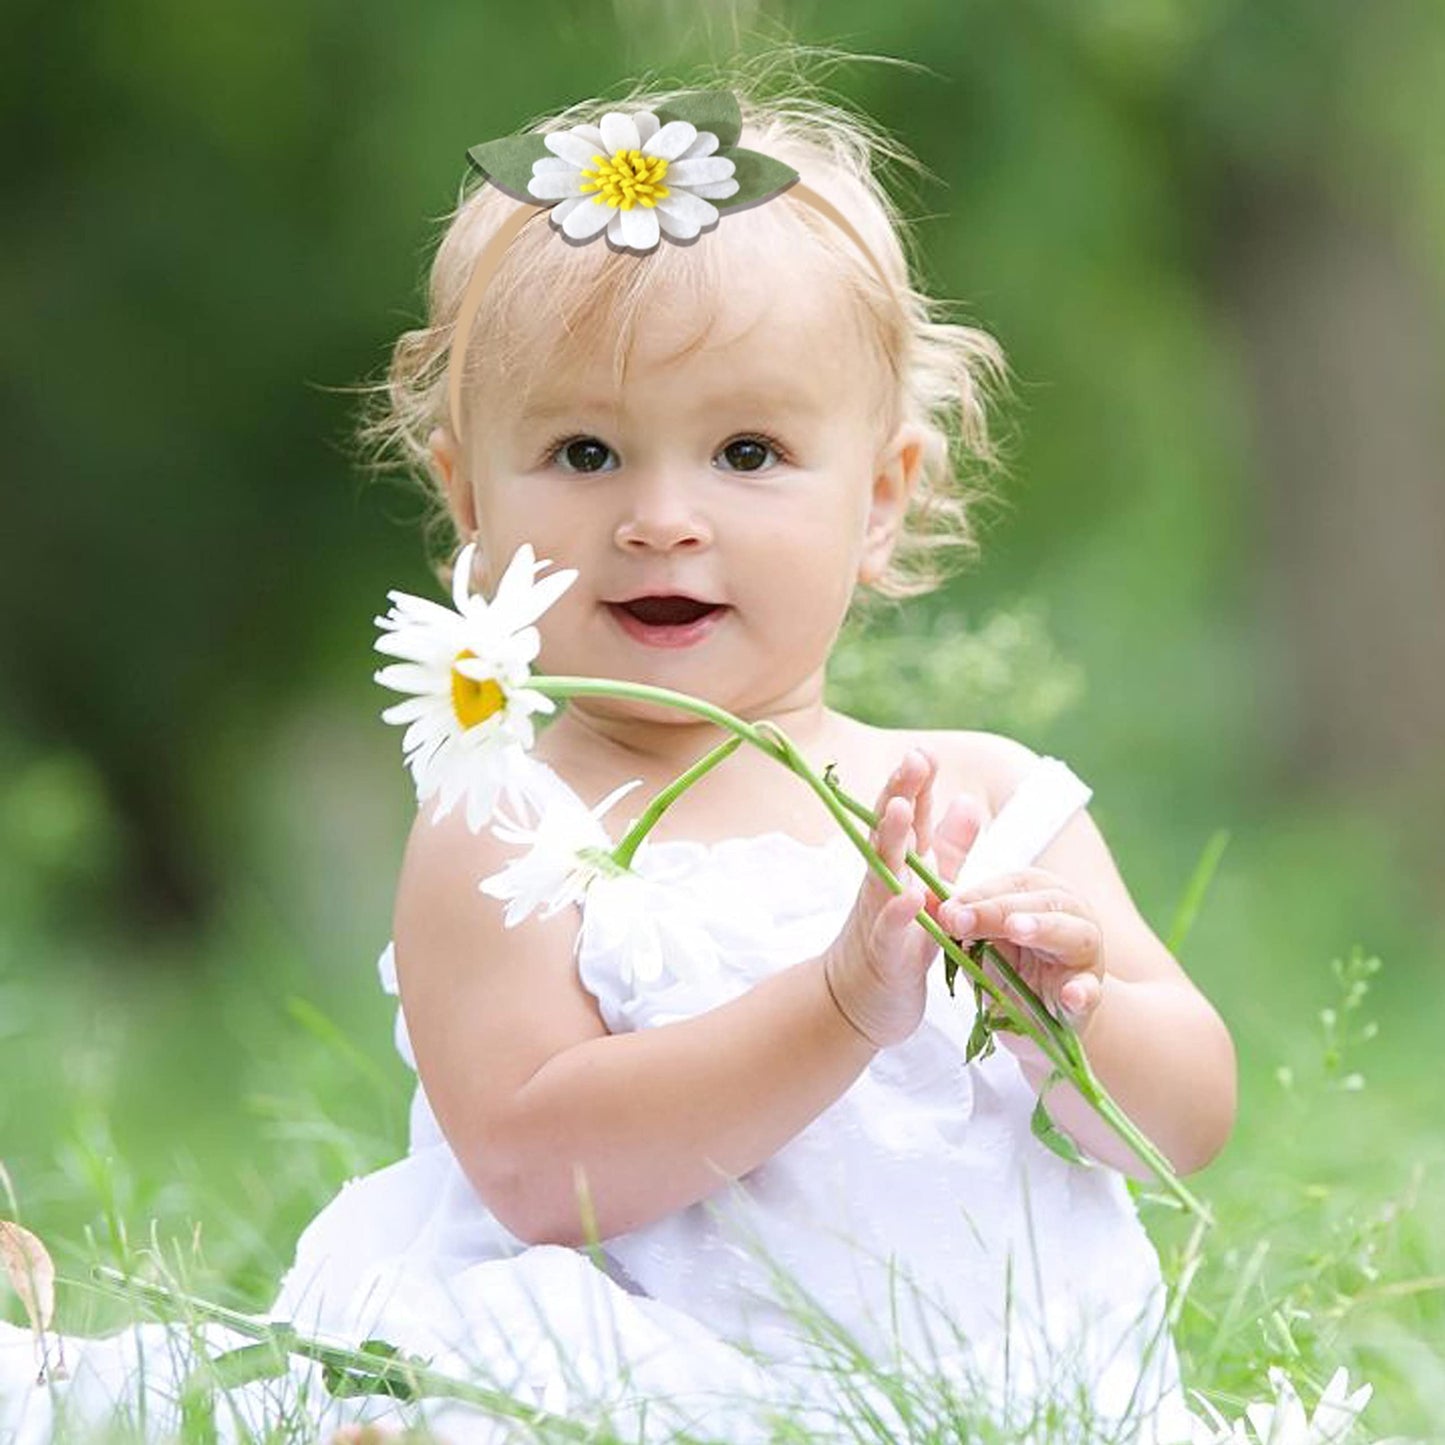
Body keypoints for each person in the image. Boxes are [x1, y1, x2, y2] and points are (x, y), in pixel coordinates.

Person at [0, 76, 1236, 1444]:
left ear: (879, 498)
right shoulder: (505, 811)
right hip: (632, 1382)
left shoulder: (987, 799)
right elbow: (539, 1165)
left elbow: (1177, 1123)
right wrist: (835, 1006)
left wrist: (1072, 1011)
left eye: (746, 451)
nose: (658, 517)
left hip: (995, 1387)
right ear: (469, 501)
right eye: (584, 451)